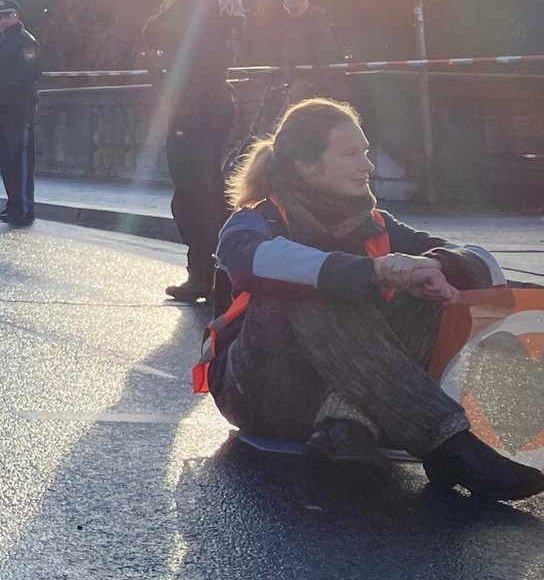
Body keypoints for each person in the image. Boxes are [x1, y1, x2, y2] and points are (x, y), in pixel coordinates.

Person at [197, 98, 542, 502]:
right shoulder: (254, 221)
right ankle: (447, 443)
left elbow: (477, 261)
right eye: (351, 154)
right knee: (307, 292)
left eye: (365, 151)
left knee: (428, 292)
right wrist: (376, 271)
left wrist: (429, 269)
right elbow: (250, 259)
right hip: (262, 391)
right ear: (306, 165)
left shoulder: (376, 223)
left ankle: (346, 422)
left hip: (348, 386)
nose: (368, 165)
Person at [143, 0, 247, 303]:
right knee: (214, 188)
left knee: (192, 193)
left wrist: (165, 10)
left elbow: (153, 32)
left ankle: (204, 273)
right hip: (220, 95)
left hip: (193, 99)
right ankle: (224, 269)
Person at [0, 0, 42, 225]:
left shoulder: (25, 40)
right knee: (7, 159)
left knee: (21, 159)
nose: (3, 20)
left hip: (20, 106)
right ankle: (13, 205)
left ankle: (25, 209)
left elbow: (33, 71)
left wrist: (8, 92)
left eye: (7, 15)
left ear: (16, 16)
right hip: (2, 107)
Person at [276, 0, 347, 105]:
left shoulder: (317, 23)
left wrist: (318, 79)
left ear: (308, 3)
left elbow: (327, 53)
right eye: (293, 1)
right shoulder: (288, 26)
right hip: (301, 78)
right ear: (285, 4)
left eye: (301, 1)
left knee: (289, 110)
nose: (297, 4)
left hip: (317, 79)